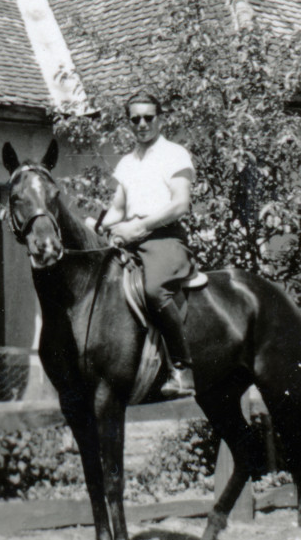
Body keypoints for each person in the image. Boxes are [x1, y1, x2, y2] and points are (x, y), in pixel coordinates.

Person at [95, 91, 197, 398]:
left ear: (160, 119)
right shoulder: (126, 162)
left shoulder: (175, 154)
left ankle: (182, 369)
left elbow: (180, 204)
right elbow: (118, 208)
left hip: (164, 238)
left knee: (154, 290)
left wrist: (139, 226)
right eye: (135, 119)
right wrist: (100, 226)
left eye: (148, 117)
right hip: (130, 238)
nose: (141, 124)